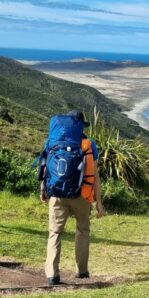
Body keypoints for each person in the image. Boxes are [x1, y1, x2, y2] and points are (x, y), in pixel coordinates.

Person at [39, 110, 105, 285]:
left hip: (57, 194)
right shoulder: (88, 144)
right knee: (82, 230)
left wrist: (43, 189)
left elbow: (45, 168)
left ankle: (52, 274)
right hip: (81, 195)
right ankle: (81, 271)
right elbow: (95, 175)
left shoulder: (52, 141)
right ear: (81, 126)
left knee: (55, 232)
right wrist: (99, 202)